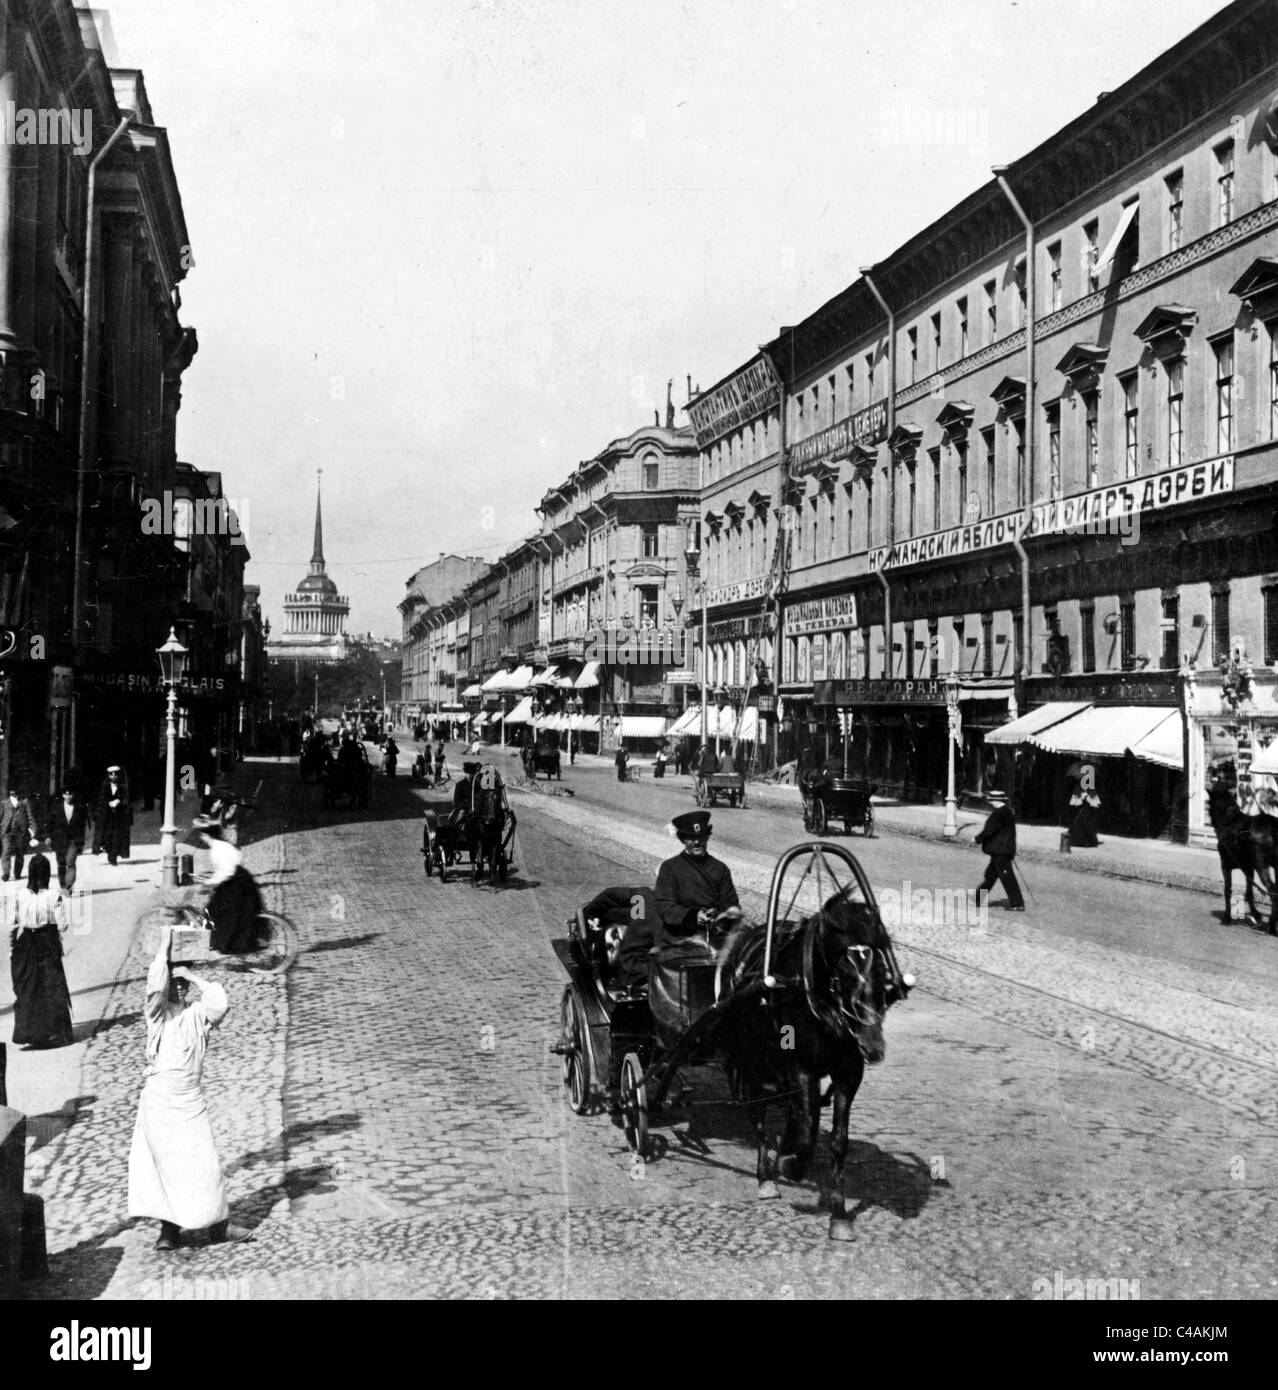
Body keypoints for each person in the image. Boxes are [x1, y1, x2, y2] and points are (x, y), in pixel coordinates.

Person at [127, 918, 251, 1250]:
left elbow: (220, 1002)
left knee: (205, 1164)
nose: (178, 988)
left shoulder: (198, 1014)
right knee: (167, 1168)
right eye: (174, 983)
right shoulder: (157, 1017)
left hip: (190, 1102)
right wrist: (165, 954)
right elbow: (154, 988)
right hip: (160, 1103)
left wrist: (191, 973)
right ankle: (169, 1231)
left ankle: (218, 1227)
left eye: (183, 985)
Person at [652, 811, 742, 1043]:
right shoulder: (670, 869)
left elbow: (731, 902)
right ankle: (678, 1030)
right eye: (691, 838)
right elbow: (665, 907)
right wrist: (694, 916)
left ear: (707, 837)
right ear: (682, 840)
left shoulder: (720, 869)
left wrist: (727, 913)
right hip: (679, 942)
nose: (697, 842)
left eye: (701, 837)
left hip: (715, 942)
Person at [8, 853, 73, 1049]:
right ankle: (53, 1033)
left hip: (26, 943)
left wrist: (13, 946)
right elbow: (62, 925)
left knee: (28, 987)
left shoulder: (19, 894)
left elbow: (13, 924)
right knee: (50, 986)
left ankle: (29, 1032)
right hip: (46, 944)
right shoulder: (54, 896)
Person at [200, 829, 263, 954]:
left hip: (234, 884)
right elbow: (233, 860)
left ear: (207, 835)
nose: (202, 838)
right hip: (241, 878)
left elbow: (226, 871)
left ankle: (225, 944)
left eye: (202, 835)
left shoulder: (216, 849)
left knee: (217, 910)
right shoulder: (222, 844)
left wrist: (210, 882)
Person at [974, 789, 1024, 911]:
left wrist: (977, 839)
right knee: (990, 875)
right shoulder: (1007, 812)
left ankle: (1017, 903)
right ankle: (977, 899)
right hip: (1003, 850)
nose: (990, 803)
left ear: (996, 801)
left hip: (1000, 851)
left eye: (991, 801)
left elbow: (990, 830)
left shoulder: (998, 813)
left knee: (1007, 877)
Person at [47, 785, 90, 893]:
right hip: (59, 840)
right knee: (61, 863)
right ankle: (63, 884)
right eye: (66, 794)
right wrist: (48, 836)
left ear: (73, 795)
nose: (68, 796)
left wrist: (81, 842)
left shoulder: (79, 808)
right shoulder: (56, 808)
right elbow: (49, 824)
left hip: (73, 840)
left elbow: (82, 827)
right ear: (62, 795)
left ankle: (68, 886)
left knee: (70, 862)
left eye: (70, 794)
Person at [93, 765, 132, 865]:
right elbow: (100, 800)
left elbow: (127, 800)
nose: (113, 776)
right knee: (107, 836)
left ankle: (113, 856)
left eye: (115, 774)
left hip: (119, 817)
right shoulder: (104, 786)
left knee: (117, 836)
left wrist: (119, 801)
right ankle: (109, 852)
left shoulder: (123, 786)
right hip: (107, 817)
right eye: (111, 774)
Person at [0, 785, 34, 882]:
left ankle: (17, 873)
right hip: (7, 831)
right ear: (9, 792)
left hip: (20, 832)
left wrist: (33, 829)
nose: (13, 793)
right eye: (12, 791)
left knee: (20, 852)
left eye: (15, 791)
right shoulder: (4, 803)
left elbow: (30, 816)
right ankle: (6, 873)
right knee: (6, 851)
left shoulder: (24, 802)